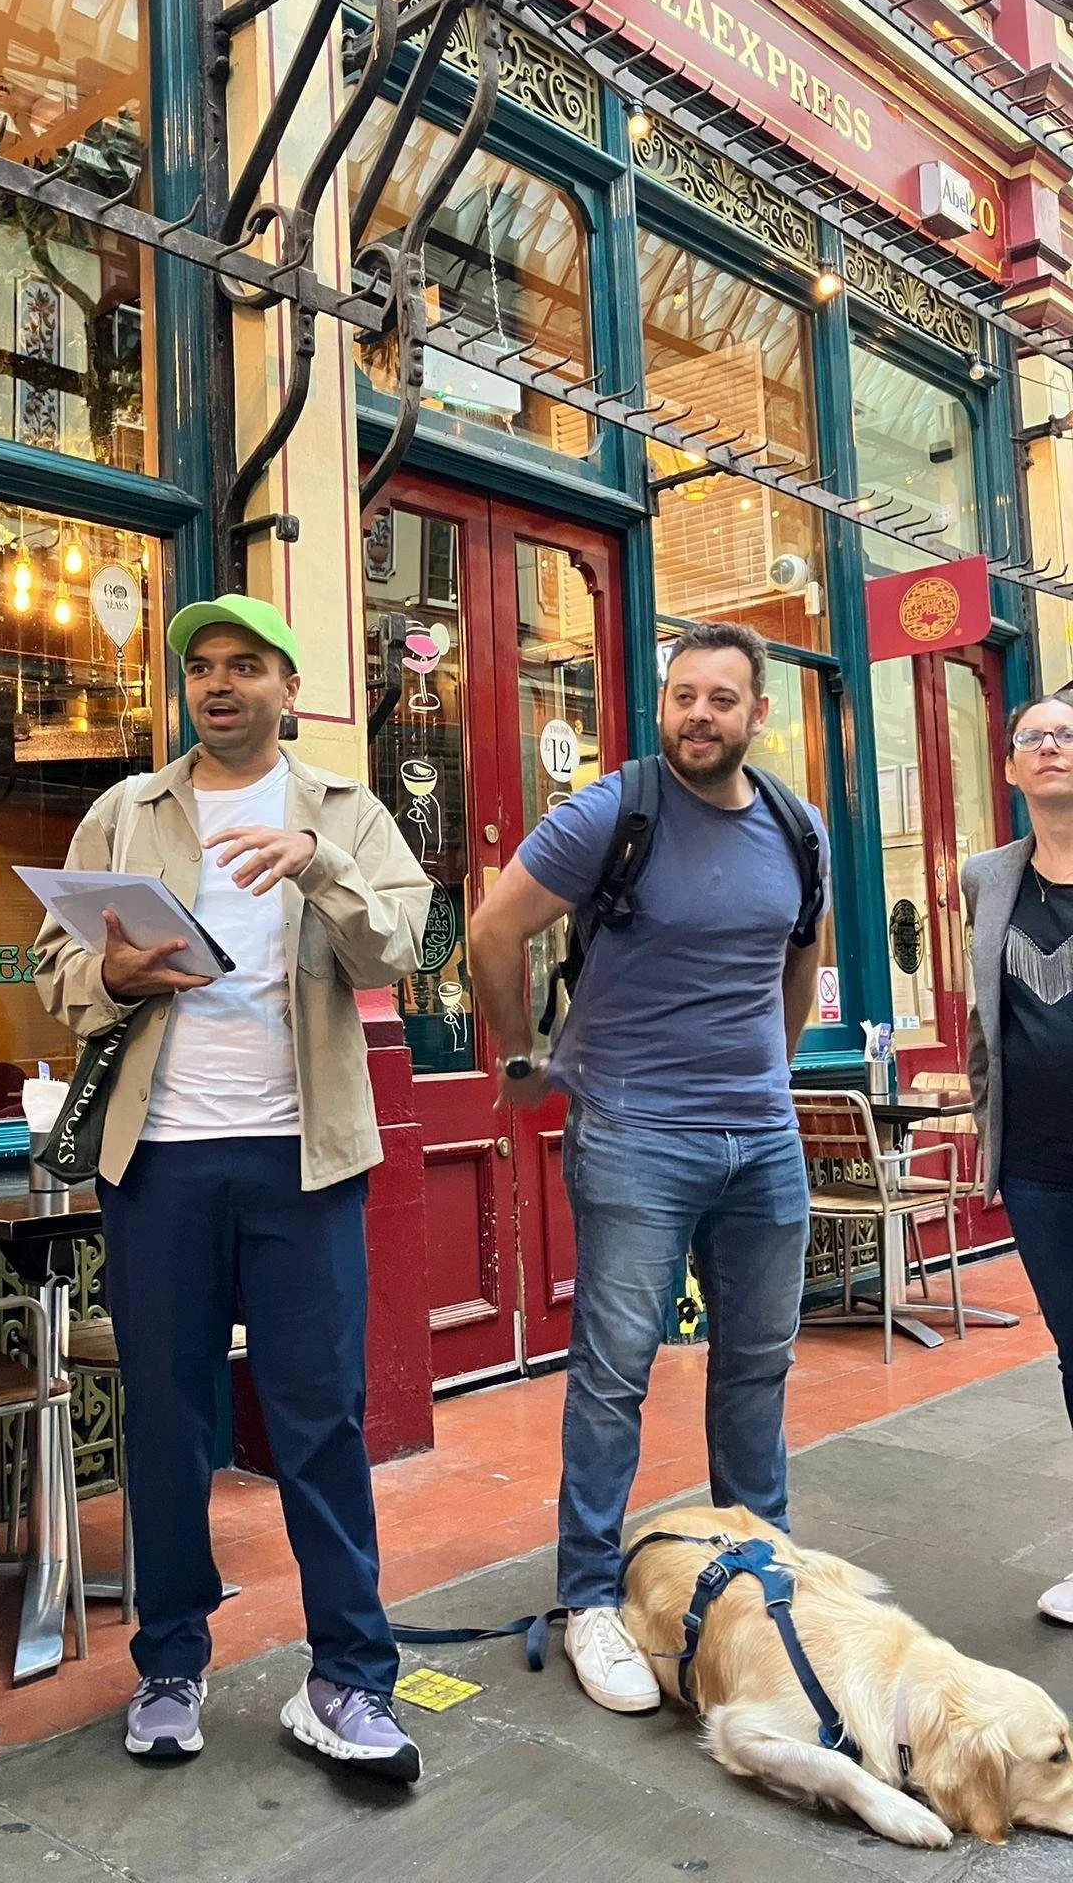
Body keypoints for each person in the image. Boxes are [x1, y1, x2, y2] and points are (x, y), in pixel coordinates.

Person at [34, 594, 431, 1779]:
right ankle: (168, 1661)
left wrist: (319, 866)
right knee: (166, 1418)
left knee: (319, 1420)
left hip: (302, 1158)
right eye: (202, 664)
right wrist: (111, 971)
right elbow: (55, 966)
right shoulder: (125, 810)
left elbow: (401, 949)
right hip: (157, 1159)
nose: (218, 682)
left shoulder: (348, 812)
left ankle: (350, 1673)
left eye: (245, 664)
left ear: (287, 687)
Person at [468, 620, 829, 1715]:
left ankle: (757, 1574)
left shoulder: (797, 825)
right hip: (634, 1134)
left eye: (721, 698)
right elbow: (493, 931)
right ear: (662, 704)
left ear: (757, 713)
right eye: (683, 696)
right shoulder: (611, 812)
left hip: (761, 1139)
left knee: (756, 1366)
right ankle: (590, 1596)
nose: (699, 715)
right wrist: (518, 1054)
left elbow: (800, 955)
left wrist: (770, 1072)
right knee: (614, 1370)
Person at [962, 690, 1073, 1626]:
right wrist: (982, 1118)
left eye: (1067, 735)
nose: (1051, 747)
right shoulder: (987, 877)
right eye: (1032, 737)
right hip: (1036, 1165)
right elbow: (982, 1019)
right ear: (1008, 767)